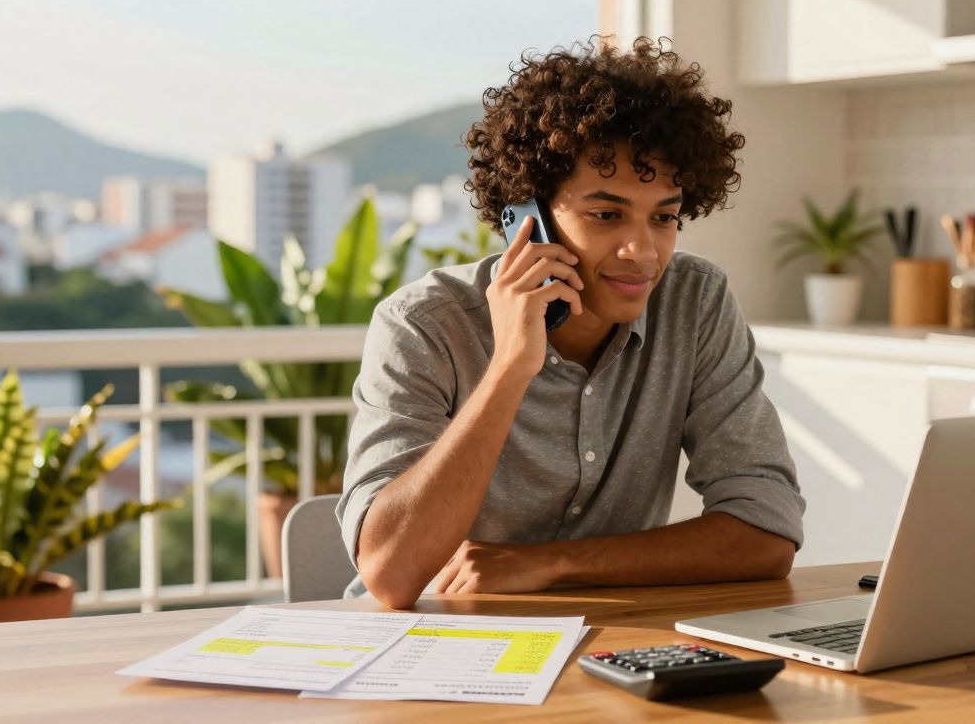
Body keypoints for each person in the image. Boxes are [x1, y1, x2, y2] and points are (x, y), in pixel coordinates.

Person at [337, 36, 806, 609]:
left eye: (664, 218)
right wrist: (510, 365)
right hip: (427, 645)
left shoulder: (695, 301)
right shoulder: (424, 325)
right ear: (525, 218)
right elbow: (390, 573)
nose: (644, 251)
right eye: (606, 215)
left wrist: (551, 566)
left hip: (604, 636)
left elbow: (767, 528)